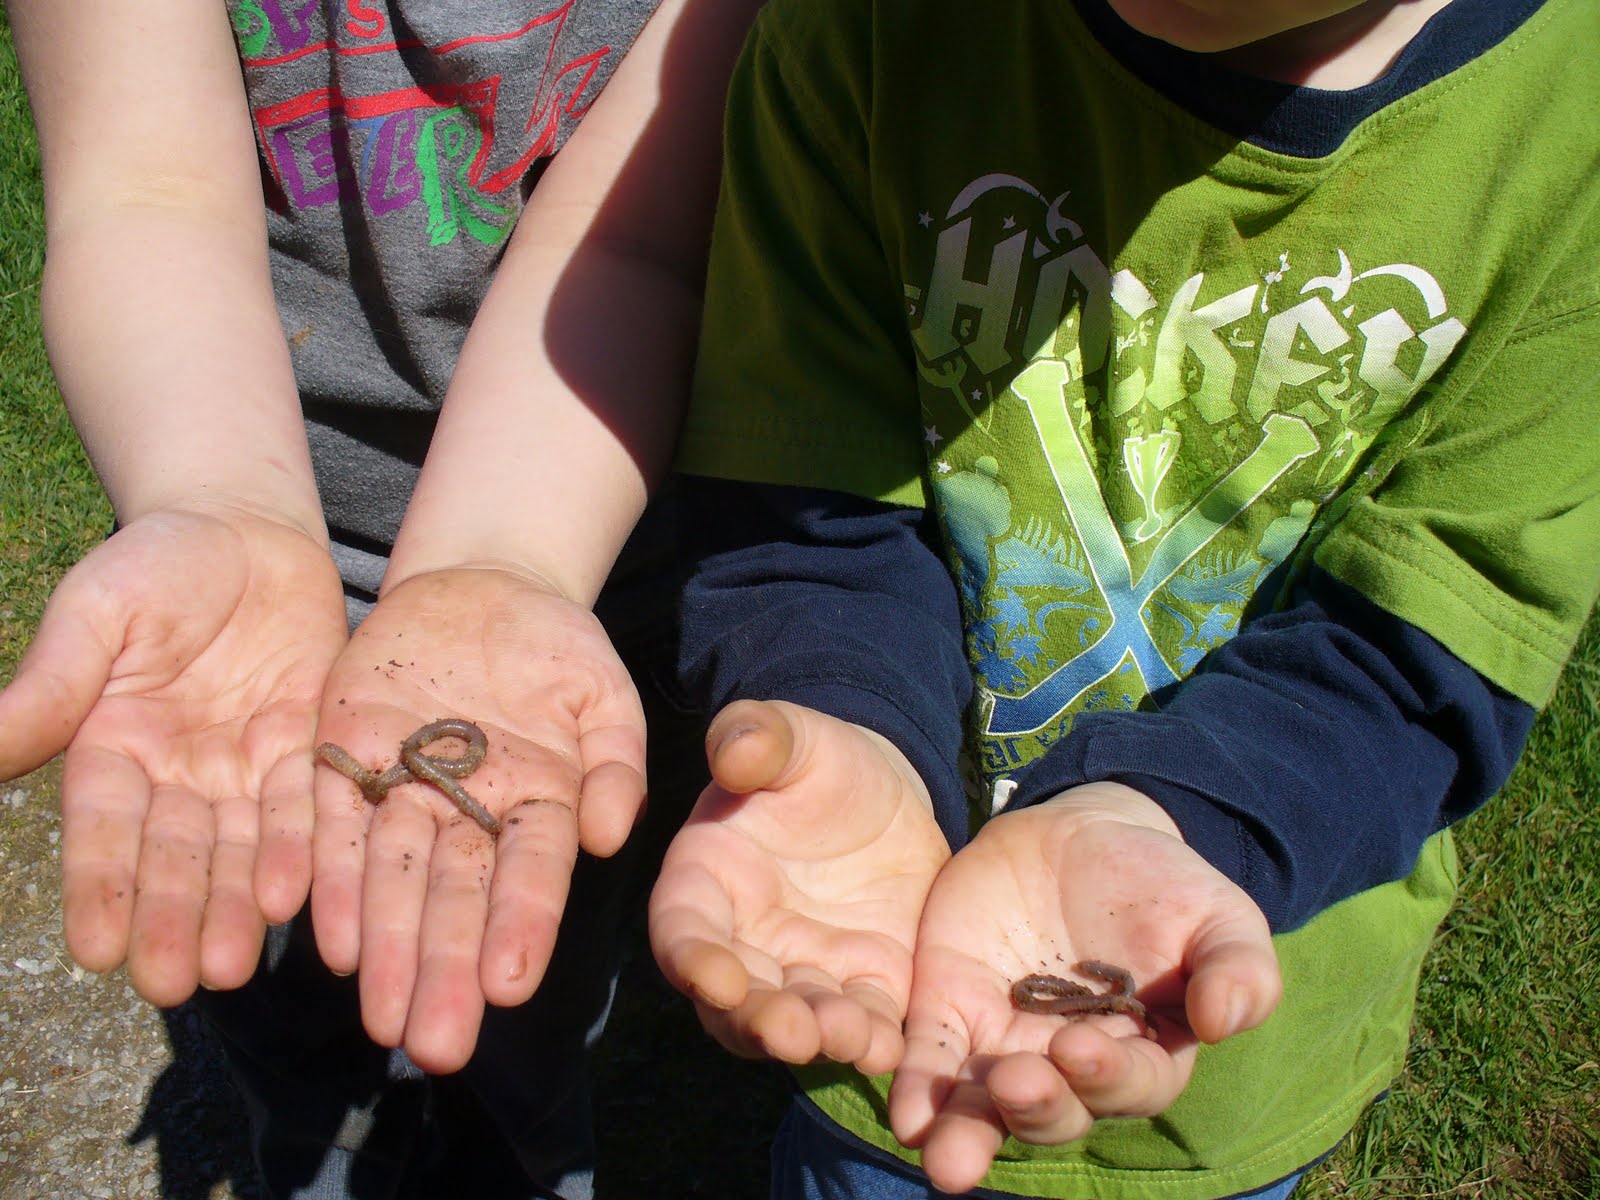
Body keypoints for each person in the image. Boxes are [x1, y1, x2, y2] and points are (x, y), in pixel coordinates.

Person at [647, 0, 1600, 1197]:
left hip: (1227, 1028)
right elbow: (807, 509)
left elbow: (1419, 648)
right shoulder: (865, 33)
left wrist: (1165, 812)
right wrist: (847, 714)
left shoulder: (1573, 133)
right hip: (877, 979)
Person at [0, 0, 761, 1195]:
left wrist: (503, 561)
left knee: (527, 969)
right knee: (277, 972)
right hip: (253, 564)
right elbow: (144, 188)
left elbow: (630, 245)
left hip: (577, 578)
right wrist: (214, 495)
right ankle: (317, 1145)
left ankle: (515, 1153)